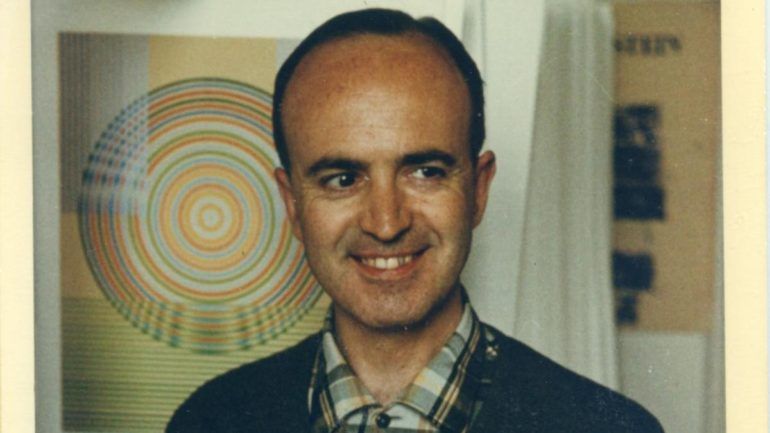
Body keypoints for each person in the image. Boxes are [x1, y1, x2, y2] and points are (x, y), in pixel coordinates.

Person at [167, 8, 663, 433]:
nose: (386, 224)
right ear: (293, 205)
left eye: (425, 172)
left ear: (478, 190)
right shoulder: (210, 421)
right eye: (343, 179)